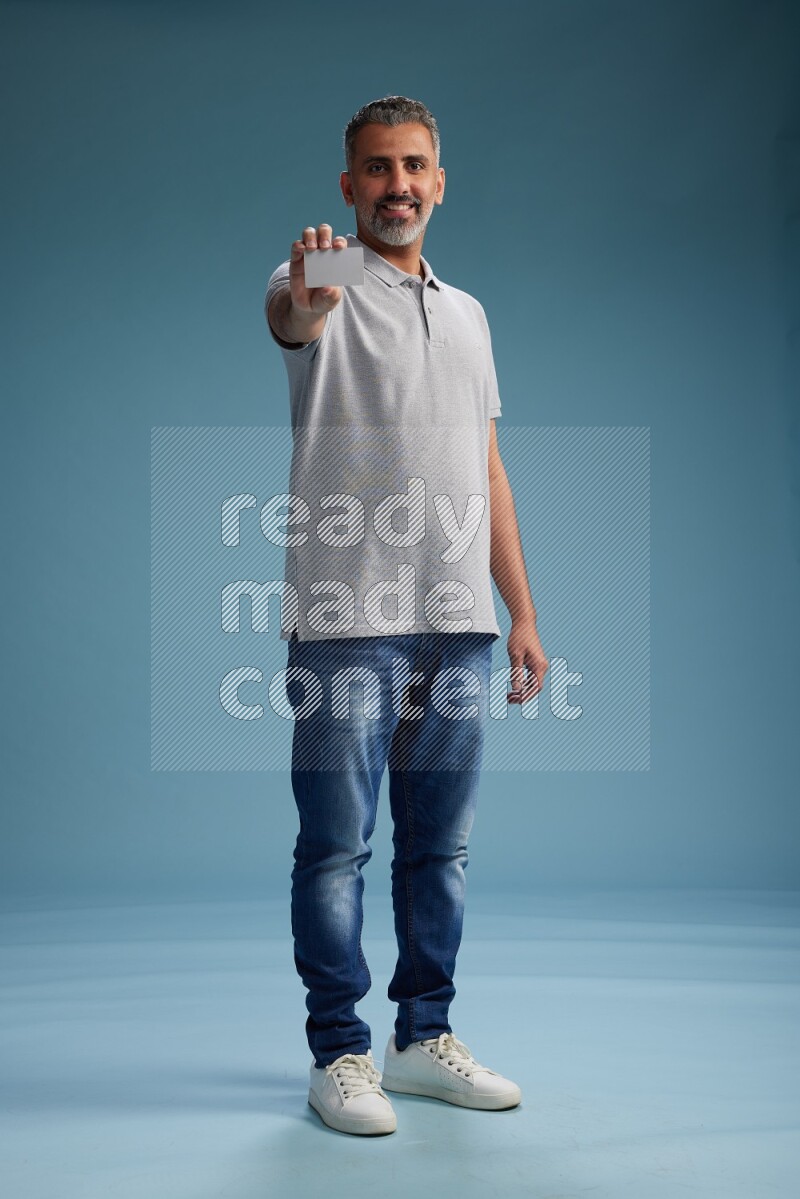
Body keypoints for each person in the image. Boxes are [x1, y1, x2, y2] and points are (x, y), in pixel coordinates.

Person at [264, 96, 548, 1136]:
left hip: (458, 620)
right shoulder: (326, 276)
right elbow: (292, 312)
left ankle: (420, 1036)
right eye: (376, 167)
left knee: (441, 849)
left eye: (413, 166)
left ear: (439, 179)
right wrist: (307, 279)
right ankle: (337, 1052)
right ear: (347, 184)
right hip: (346, 617)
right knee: (335, 847)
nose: (396, 185)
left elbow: (484, 467)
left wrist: (519, 610)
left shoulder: (467, 312)